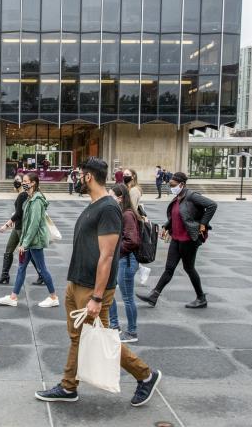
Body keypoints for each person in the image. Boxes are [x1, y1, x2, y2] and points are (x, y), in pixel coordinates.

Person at [35, 157, 161, 408]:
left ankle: (146, 375)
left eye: (79, 175)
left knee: (104, 339)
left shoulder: (108, 208)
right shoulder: (94, 205)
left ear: (89, 177)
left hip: (93, 288)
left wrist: (96, 297)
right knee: (78, 337)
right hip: (78, 283)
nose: (77, 179)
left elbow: (107, 255)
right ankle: (69, 386)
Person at [137, 172, 216, 309]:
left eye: (173, 185)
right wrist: (167, 226)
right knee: (169, 268)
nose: (171, 187)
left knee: (189, 268)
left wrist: (203, 224)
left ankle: (201, 297)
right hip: (177, 238)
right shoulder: (178, 197)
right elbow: (176, 216)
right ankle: (154, 295)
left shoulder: (192, 196)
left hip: (189, 238)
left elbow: (212, 205)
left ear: (182, 184)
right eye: (170, 185)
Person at [0, 173, 60, 308]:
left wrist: (24, 243)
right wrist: (23, 241)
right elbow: (25, 221)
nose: (23, 183)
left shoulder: (36, 201)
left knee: (42, 269)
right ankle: (13, 297)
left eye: (25, 181)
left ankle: (53, 297)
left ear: (33, 183)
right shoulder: (30, 198)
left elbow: (34, 224)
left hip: (34, 242)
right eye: (23, 181)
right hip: (29, 241)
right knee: (21, 268)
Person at [0, 175, 47, 286]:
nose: (18, 182)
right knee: (9, 250)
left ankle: (42, 274)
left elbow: (18, 214)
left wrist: (6, 225)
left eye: (22, 180)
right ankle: (5, 275)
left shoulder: (24, 195)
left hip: (21, 228)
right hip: (18, 227)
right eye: (19, 180)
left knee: (28, 254)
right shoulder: (25, 195)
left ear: (31, 183)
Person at [108, 183, 140, 343]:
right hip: (121, 259)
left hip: (126, 260)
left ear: (120, 198)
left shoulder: (127, 214)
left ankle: (132, 332)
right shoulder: (122, 212)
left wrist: (115, 249)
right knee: (109, 291)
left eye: (111, 196)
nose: (109, 198)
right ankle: (114, 325)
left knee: (127, 298)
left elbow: (132, 240)